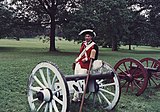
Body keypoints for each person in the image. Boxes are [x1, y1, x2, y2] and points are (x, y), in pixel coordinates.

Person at [72, 29, 99, 102]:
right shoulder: (83, 44)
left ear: (91, 37)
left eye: (88, 36)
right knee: (76, 80)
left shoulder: (94, 46)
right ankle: (76, 97)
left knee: (81, 80)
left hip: (86, 65)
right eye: (86, 36)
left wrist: (87, 59)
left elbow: (95, 57)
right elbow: (81, 53)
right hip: (79, 63)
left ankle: (80, 96)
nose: (87, 38)